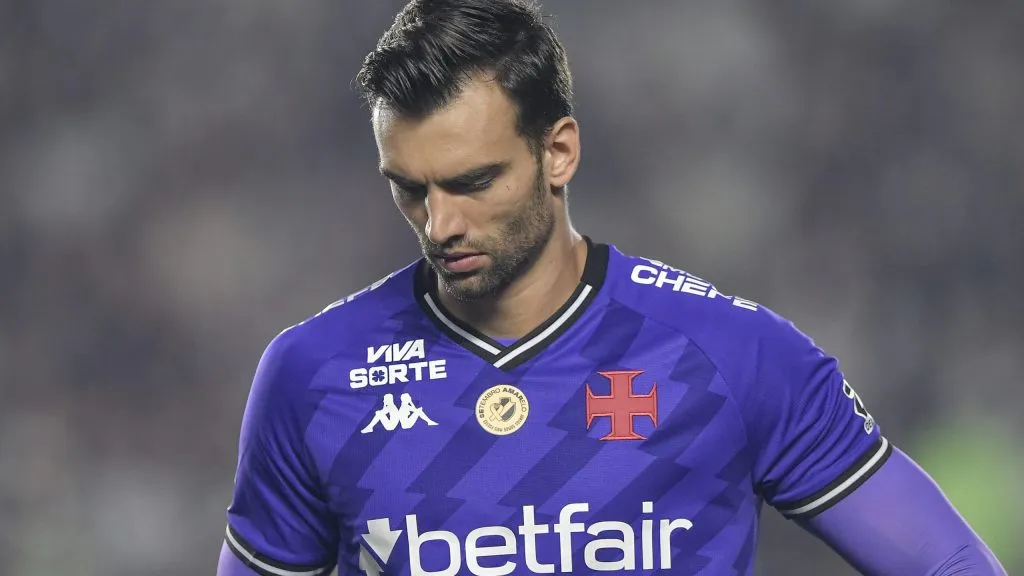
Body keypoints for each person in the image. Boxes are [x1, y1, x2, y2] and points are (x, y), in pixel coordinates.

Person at [217, 1, 1006, 574]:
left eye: (473, 181)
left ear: (558, 152)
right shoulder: (313, 376)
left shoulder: (733, 356)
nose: (440, 223)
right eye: (411, 188)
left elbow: (947, 564)